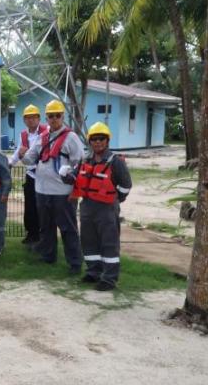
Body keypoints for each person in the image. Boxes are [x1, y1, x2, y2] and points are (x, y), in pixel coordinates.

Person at [21, 99, 85, 274]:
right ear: (47, 118)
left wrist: (76, 191)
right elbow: (29, 159)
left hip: (62, 192)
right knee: (46, 227)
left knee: (68, 228)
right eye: (51, 116)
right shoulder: (43, 137)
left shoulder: (71, 137)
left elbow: (80, 164)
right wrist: (22, 155)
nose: (54, 119)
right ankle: (48, 255)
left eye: (57, 115)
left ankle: (75, 263)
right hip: (42, 190)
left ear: (63, 116)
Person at [68, 122, 132, 291]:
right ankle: (93, 272)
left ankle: (109, 279)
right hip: (87, 206)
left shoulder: (115, 162)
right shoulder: (85, 160)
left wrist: (116, 199)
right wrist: (66, 176)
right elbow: (75, 177)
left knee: (109, 243)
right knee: (88, 241)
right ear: (90, 141)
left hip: (107, 208)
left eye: (101, 139)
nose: (98, 142)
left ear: (107, 141)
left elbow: (126, 185)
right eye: (94, 139)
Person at [9, 104, 47, 245]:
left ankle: (44, 235)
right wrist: (10, 164)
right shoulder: (23, 135)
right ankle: (31, 234)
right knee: (30, 206)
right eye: (28, 117)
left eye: (33, 117)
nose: (31, 120)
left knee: (43, 207)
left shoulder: (46, 131)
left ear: (39, 118)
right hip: (31, 175)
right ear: (24, 120)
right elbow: (18, 151)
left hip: (45, 175)